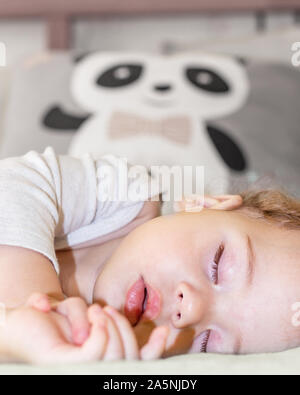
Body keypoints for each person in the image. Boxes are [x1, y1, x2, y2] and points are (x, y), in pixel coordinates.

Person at [0, 148, 299, 363]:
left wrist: (17, 337)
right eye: (217, 265)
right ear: (204, 204)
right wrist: (34, 304)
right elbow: (16, 186)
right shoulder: (127, 195)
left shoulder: (97, 355)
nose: (191, 309)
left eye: (206, 343)